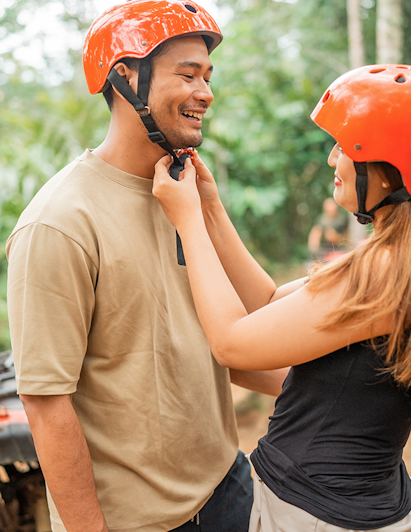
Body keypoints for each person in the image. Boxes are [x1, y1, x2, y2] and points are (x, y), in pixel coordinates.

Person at [6, 0, 281, 532]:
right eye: (188, 74)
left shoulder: (183, 192)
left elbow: (227, 343)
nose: (206, 92)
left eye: (208, 76)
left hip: (228, 488)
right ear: (126, 77)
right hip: (140, 523)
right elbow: (46, 403)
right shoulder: (60, 223)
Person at [152, 63, 411, 531]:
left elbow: (232, 342)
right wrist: (210, 209)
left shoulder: (382, 273)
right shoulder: (394, 263)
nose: (334, 159)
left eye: (347, 148)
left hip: (310, 513)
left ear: (390, 171)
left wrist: (187, 220)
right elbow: (270, 303)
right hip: (358, 507)